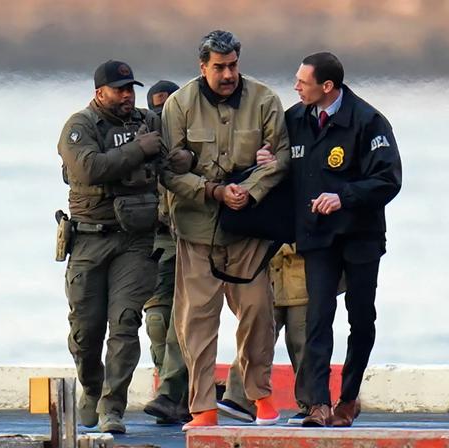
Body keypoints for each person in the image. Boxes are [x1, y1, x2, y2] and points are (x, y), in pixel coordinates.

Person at [160, 29, 290, 431]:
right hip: (197, 229)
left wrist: (248, 192)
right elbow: (167, 170)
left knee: (257, 311)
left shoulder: (265, 100)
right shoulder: (178, 105)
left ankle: (260, 398)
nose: (228, 74)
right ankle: (203, 408)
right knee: (196, 319)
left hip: (248, 228)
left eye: (233, 65)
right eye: (219, 67)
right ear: (203, 67)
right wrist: (213, 191)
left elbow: (281, 157)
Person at [56, 60, 192, 434]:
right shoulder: (80, 127)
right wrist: (138, 150)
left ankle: (112, 407)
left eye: (131, 89)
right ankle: (91, 386)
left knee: (126, 324)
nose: (127, 96)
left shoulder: (148, 122)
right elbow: (89, 170)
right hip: (89, 240)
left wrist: (183, 159)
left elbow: (170, 160)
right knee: (85, 332)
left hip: (135, 241)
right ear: (100, 92)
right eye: (119, 90)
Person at [281, 51, 402, 427]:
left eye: (304, 81)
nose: (297, 86)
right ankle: (319, 403)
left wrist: (343, 196)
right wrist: (268, 158)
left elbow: (388, 180)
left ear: (327, 86)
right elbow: (280, 167)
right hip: (317, 237)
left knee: (361, 318)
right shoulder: (293, 120)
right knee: (317, 319)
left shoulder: (369, 121)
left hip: (360, 236)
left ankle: (348, 399)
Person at [218, 244, 347, 426]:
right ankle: (240, 397)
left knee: (302, 340)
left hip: (304, 276)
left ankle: (312, 404)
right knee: (257, 333)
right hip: (271, 272)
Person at [141, 80, 192, 424]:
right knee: (157, 321)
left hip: (188, 237)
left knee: (182, 322)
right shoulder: (142, 143)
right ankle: (170, 393)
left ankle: (174, 392)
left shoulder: (189, 144)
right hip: (155, 240)